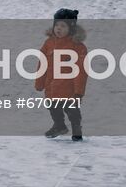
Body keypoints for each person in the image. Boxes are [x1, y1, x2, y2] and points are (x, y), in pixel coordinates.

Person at [34, 8, 87, 141]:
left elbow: (81, 70)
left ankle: (76, 129)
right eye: (56, 25)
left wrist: (79, 91)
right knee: (53, 107)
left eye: (63, 26)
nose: (59, 29)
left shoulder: (77, 46)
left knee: (71, 110)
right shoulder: (49, 43)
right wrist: (39, 82)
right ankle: (59, 126)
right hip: (51, 85)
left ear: (71, 28)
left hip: (69, 86)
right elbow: (42, 63)